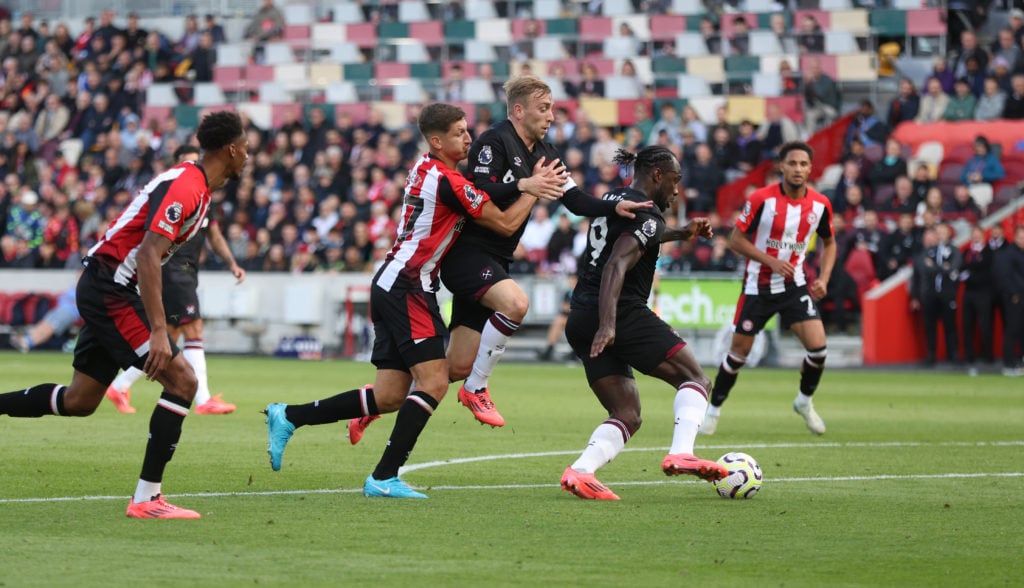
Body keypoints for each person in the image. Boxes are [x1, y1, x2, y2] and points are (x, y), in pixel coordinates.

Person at [262, 103, 562, 499]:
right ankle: (384, 477)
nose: (469, 138)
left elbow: (485, 193)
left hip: (393, 282)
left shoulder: (428, 170)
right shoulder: (447, 180)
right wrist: (532, 189)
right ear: (437, 141)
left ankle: (289, 416)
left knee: (387, 395)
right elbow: (505, 223)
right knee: (435, 381)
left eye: (467, 130)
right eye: (459, 132)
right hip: (408, 286)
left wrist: (520, 185)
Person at [350, 76, 650, 434]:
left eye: (553, 108)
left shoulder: (546, 153)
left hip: (497, 262)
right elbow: (479, 190)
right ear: (519, 111)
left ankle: (379, 402)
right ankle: (477, 389)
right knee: (515, 304)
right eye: (544, 108)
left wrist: (611, 209)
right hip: (468, 256)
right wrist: (525, 185)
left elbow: (574, 199)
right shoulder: (494, 141)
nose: (552, 116)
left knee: (454, 367)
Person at [0, 111, 249, 519]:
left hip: (109, 285)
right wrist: (157, 330)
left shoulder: (196, 186)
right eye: (246, 150)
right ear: (232, 149)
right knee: (183, 381)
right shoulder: (188, 187)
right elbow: (150, 254)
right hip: (110, 290)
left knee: (79, 400)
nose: (248, 158)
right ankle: (147, 499)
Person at [559, 146, 724, 500]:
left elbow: (643, 234)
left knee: (626, 413)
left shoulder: (614, 198)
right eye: (676, 181)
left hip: (580, 317)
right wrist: (609, 324)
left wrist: (681, 233)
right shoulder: (647, 215)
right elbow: (617, 264)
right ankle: (682, 452)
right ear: (658, 175)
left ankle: (581, 471)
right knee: (695, 378)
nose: (678, 190)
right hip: (620, 312)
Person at [702, 142, 837, 436]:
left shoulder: (820, 204)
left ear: (810, 168)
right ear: (782, 167)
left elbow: (830, 242)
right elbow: (735, 239)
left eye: (803, 164)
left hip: (794, 286)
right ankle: (713, 409)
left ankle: (804, 401)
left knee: (818, 349)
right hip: (757, 287)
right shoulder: (762, 199)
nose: (798, 169)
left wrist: (824, 278)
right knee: (738, 354)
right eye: (792, 163)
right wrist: (770, 261)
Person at [104, 145, 245, 416]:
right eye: (187, 163)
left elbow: (214, 235)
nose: (193, 168)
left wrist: (231, 263)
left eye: (196, 162)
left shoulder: (204, 198)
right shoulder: (173, 194)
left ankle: (119, 386)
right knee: (193, 328)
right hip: (173, 270)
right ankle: (203, 400)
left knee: (170, 337)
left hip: (186, 271)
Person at [910, 224, 962, 367]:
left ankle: (953, 355)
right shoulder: (928, 251)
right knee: (929, 326)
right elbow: (922, 268)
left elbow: (953, 268)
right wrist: (942, 267)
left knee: (950, 326)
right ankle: (931, 356)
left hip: (947, 293)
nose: (940, 234)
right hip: (930, 294)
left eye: (943, 231)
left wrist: (934, 267)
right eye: (938, 231)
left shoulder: (954, 250)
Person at [961, 226, 995, 375]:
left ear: (983, 235)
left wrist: (970, 275)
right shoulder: (967, 252)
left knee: (985, 325)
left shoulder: (989, 252)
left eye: (977, 234)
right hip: (969, 293)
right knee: (967, 326)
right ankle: (969, 356)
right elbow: (963, 268)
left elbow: (988, 273)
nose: (975, 237)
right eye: (973, 234)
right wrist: (970, 273)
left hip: (984, 293)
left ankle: (987, 355)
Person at [9, 282, 79, 352]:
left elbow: (81, 301)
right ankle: (27, 338)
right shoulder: (76, 286)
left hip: (71, 311)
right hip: (60, 309)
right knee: (46, 322)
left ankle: (28, 342)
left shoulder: (85, 286)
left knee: (52, 325)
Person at [993, 225, 1024, 376]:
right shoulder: (1009, 254)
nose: (1023, 240)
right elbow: (1004, 277)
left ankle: (1020, 362)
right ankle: (1008, 364)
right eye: (1021, 237)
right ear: (1015, 237)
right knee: (1012, 330)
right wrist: (1013, 294)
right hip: (1015, 298)